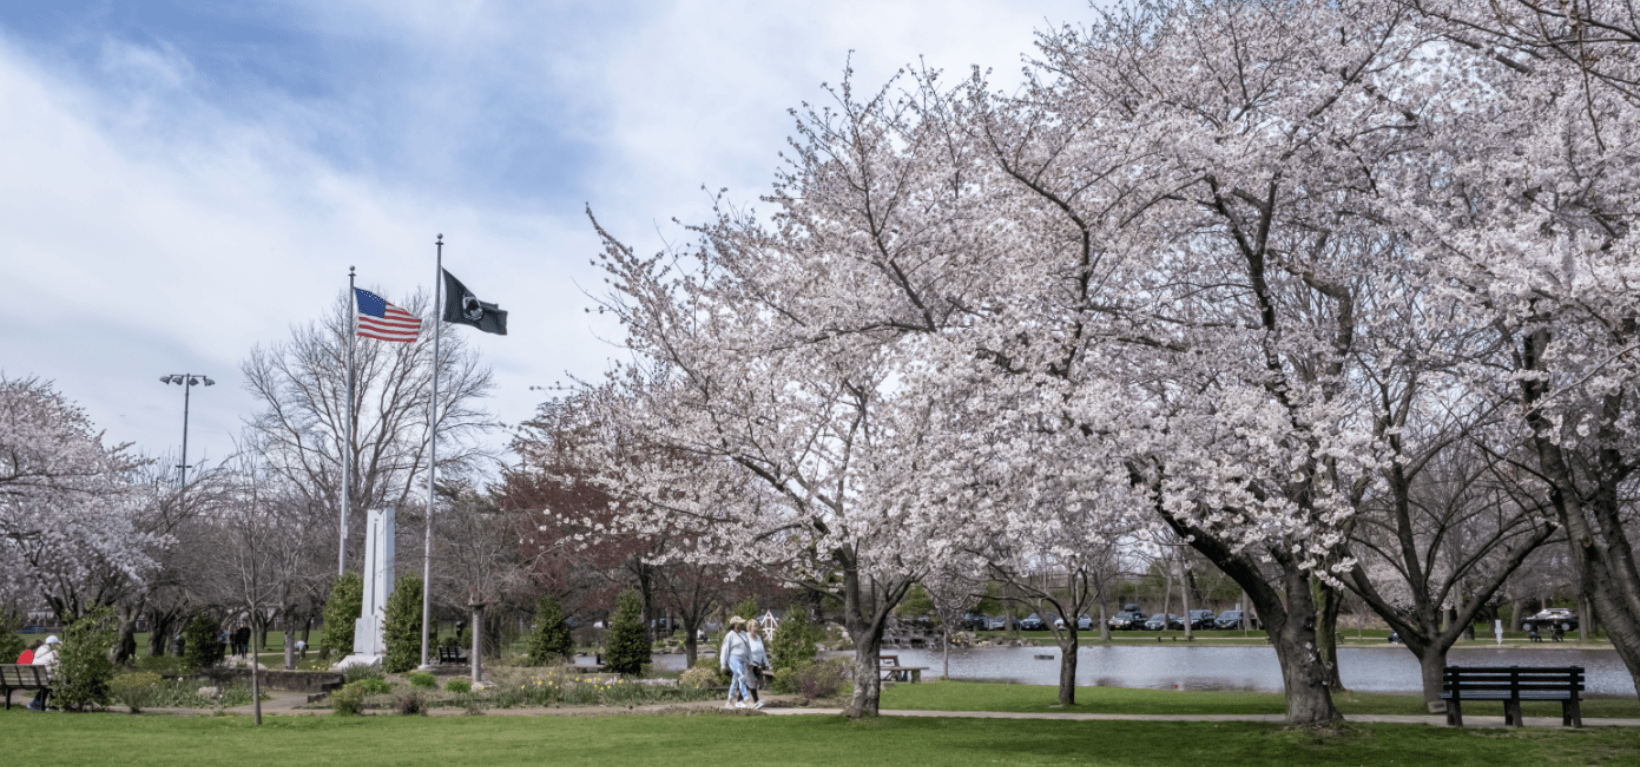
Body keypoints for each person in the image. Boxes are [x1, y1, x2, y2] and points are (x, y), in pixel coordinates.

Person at [718, 616, 751, 709]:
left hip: (743, 660)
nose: (741, 625)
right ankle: (747, 700)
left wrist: (750, 660)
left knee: (735, 681)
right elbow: (724, 650)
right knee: (741, 677)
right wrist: (723, 664)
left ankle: (729, 701)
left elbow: (748, 649)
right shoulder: (730, 635)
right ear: (734, 625)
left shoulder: (744, 634)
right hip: (734, 659)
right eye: (739, 624)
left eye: (741, 624)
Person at [29, 635, 60, 711]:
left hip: (37, 678)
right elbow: (57, 668)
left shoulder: (39, 652)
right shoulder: (53, 653)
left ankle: (34, 704)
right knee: (56, 683)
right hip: (46, 679)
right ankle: (53, 705)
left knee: (48, 685)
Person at [744, 620, 768, 710]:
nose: (757, 629)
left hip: (756, 663)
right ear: (749, 628)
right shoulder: (745, 637)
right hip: (747, 663)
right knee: (751, 682)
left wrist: (766, 662)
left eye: (757, 627)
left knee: (756, 682)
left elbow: (762, 651)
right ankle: (756, 701)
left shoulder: (758, 637)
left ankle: (743, 702)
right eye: (755, 627)